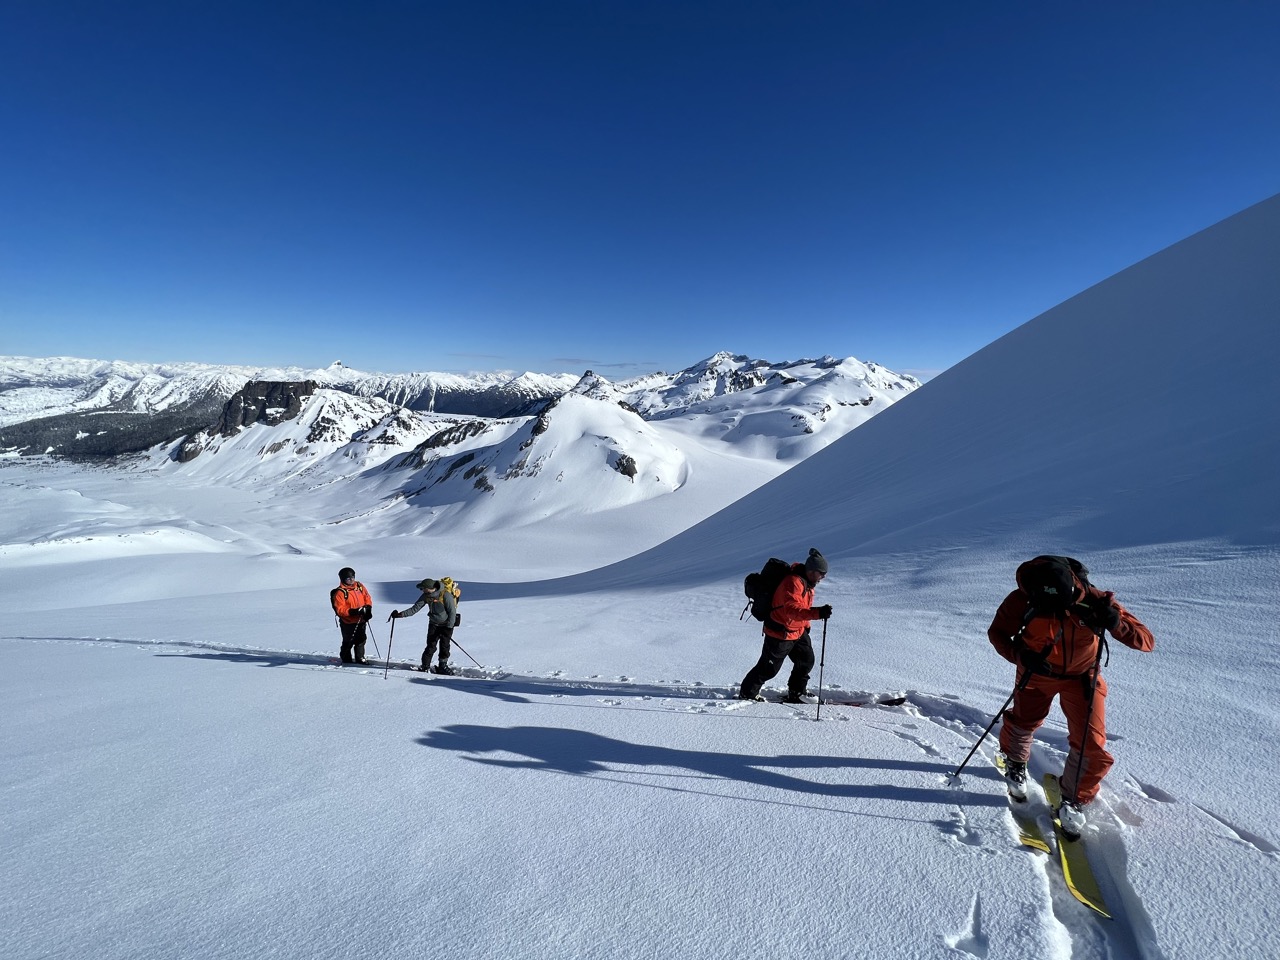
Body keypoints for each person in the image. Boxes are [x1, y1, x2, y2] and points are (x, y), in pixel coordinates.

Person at [988, 555, 1154, 838]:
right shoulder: (1022, 598)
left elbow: (1145, 640)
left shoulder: (1095, 599)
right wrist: (1020, 655)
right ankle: (1015, 764)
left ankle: (1074, 799)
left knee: (1091, 743)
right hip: (1037, 674)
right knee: (1024, 722)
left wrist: (1115, 622)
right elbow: (998, 633)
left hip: (1082, 679)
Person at [737, 548, 833, 702]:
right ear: (812, 571)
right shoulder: (793, 582)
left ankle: (797, 692)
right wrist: (818, 613)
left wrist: (806, 626)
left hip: (797, 630)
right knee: (768, 669)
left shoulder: (807, 584)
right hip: (780, 632)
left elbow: (803, 607)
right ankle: (747, 693)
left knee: (806, 660)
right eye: (821, 573)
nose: (823, 577)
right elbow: (791, 610)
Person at [390, 578, 458, 674]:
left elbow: (452, 612)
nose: (422, 590)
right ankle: (425, 666)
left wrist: (449, 627)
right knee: (430, 645)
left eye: (423, 588)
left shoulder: (445, 595)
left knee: (445, 646)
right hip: (433, 624)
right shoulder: (426, 596)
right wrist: (400, 615)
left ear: (430, 588)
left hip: (446, 625)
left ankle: (443, 666)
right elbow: (415, 609)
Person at [330, 567, 374, 664]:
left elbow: (367, 597)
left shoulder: (359, 586)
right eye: (348, 578)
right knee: (348, 641)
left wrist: (368, 609)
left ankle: (360, 658)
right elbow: (340, 610)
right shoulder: (340, 592)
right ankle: (346, 659)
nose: (351, 580)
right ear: (343, 579)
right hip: (348, 622)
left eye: (352, 577)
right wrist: (354, 612)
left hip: (361, 619)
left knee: (361, 639)